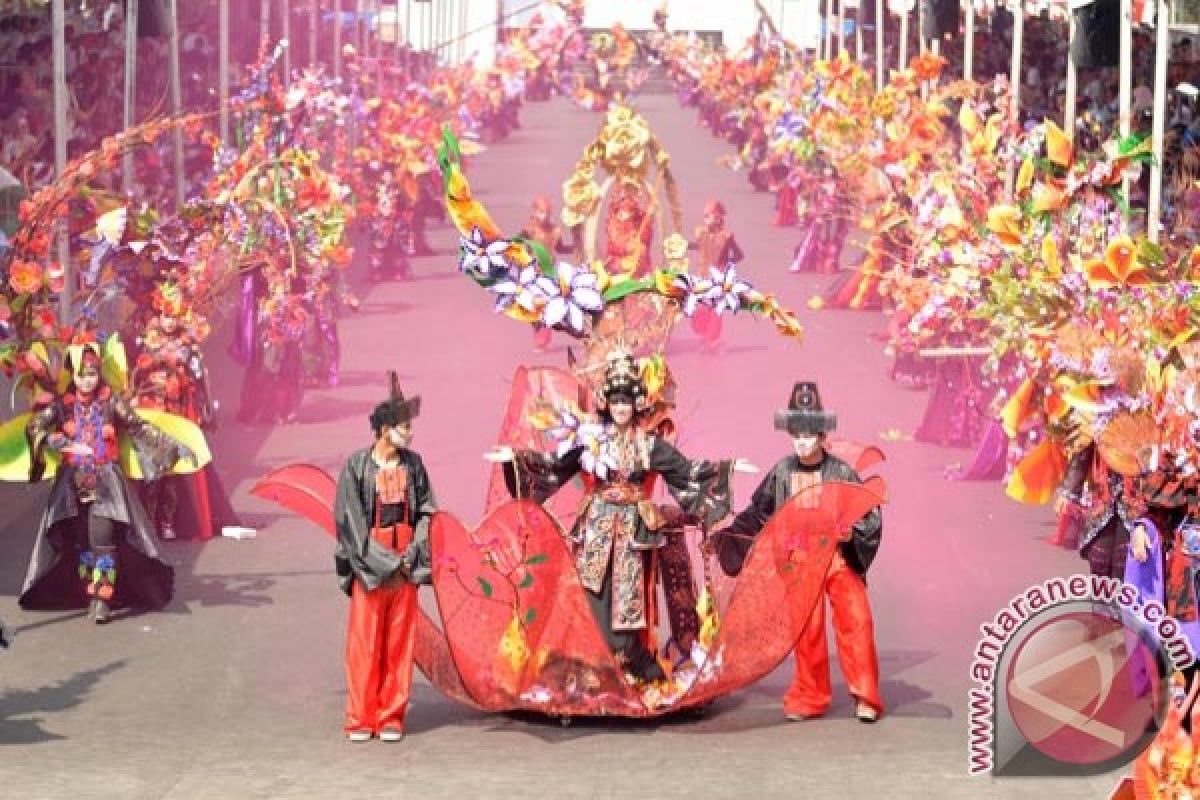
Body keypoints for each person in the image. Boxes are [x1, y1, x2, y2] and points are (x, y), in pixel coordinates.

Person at [486, 351, 756, 684]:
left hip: (633, 531)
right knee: (591, 593)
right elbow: (555, 467)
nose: (621, 408)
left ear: (636, 403)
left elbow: (685, 472)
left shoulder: (649, 445)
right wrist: (515, 459)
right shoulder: (590, 442)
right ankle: (589, 663)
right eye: (615, 401)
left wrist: (726, 469)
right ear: (607, 404)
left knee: (628, 597)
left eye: (626, 401)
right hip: (596, 527)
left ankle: (626, 663)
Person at [711, 381, 884, 722]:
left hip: (836, 556)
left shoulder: (841, 472)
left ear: (822, 436)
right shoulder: (782, 472)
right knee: (807, 629)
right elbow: (758, 513)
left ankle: (866, 695)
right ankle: (811, 695)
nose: (802, 442)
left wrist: (852, 533)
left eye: (809, 435)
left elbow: (868, 514)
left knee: (858, 621)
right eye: (797, 436)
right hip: (799, 558)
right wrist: (728, 535)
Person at [15, 337, 201, 623]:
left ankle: (103, 598)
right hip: (71, 486)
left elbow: (140, 427)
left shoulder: (112, 402)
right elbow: (36, 425)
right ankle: (89, 591)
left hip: (106, 484)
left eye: (91, 374)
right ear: (73, 375)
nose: (86, 381)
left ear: (98, 372)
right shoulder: (62, 406)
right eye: (81, 375)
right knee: (81, 543)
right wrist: (57, 440)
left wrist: (174, 446)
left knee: (103, 539)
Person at [334, 376, 436, 743]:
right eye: (403, 426)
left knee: (399, 641)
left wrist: (411, 555)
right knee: (365, 641)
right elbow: (351, 524)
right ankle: (361, 716)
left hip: (406, 559)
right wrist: (387, 564)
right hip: (371, 565)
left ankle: (391, 714)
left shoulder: (415, 465)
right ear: (383, 429)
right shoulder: (356, 467)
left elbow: (427, 511)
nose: (409, 433)